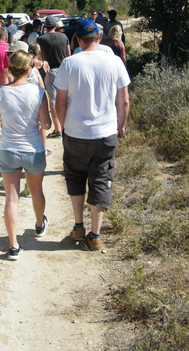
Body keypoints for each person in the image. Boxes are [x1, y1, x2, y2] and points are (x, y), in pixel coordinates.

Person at [54, 19, 130, 252]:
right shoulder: (115, 62)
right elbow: (124, 101)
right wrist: (121, 125)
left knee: (75, 176)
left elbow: (60, 101)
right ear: (98, 37)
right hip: (106, 133)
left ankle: (78, 226)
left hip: (76, 133)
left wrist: (65, 126)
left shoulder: (69, 63)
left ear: (77, 39)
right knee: (100, 179)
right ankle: (95, 235)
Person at [0, 50, 52, 260]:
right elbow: (46, 124)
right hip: (33, 149)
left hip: (8, 149)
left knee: (11, 198)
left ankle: (13, 245)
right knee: (36, 191)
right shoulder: (38, 93)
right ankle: (38, 224)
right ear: (28, 69)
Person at [36, 16, 70, 139]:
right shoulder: (64, 37)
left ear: (46, 26)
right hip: (64, 69)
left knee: (53, 100)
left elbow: (40, 55)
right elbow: (68, 54)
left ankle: (57, 128)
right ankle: (67, 125)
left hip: (50, 70)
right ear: (55, 26)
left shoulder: (41, 39)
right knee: (66, 97)